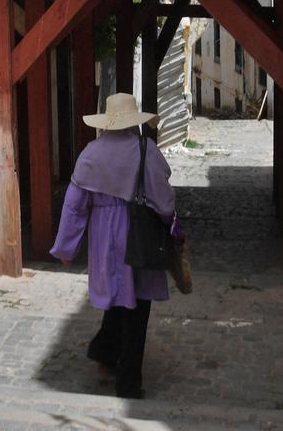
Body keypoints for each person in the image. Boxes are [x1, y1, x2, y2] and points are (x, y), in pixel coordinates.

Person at [50, 92, 182, 400]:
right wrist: (172, 226)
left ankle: (105, 353)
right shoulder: (146, 150)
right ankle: (128, 383)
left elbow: (74, 205)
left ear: (107, 122)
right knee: (136, 309)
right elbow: (163, 200)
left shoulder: (91, 153)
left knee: (118, 298)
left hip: (105, 237)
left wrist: (66, 248)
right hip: (139, 233)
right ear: (133, 121)